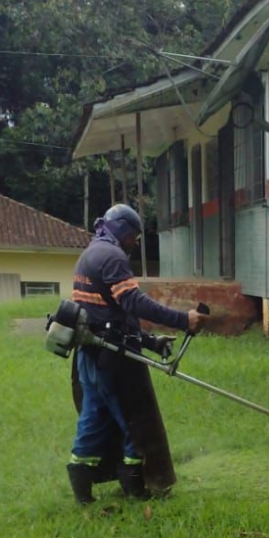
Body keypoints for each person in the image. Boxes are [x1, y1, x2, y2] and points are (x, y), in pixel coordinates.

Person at [66, 203, 208, 505]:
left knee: (93, 420)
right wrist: (184, 319)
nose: (135, 245)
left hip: (89, 356)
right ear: (123, 231)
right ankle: (136, 489)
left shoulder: (90, 254)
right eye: (134, 238)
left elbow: (108, 316)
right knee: (134, 421)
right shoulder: (112, 257)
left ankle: (83, 495)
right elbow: (135, 303)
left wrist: (150, 341)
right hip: (113, 361)